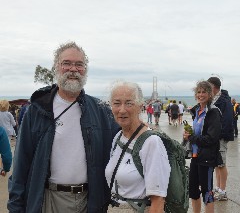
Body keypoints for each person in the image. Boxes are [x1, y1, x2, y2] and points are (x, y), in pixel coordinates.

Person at [8, 41, 119, 213]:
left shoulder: (101, 110)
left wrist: (144, 131)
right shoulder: (37, 110)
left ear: (85, 70)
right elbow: (21, 162)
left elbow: (123, 143)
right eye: (66, 63)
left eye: (79, 64)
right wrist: (15, 205)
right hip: (48, 199)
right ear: (56, 67)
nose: (73, 69)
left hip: (90, 201)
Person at [105, 81, 171, 212]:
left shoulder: (151, 142)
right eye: (117, 103)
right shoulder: (118, 137)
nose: (122, 110)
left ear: (141, 106)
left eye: (129, 103)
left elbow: (158, 202)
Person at [183, 81, 221, 213]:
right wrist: (187, 135)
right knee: (193, 190)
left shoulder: (213, 112)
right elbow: (198, 134)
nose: (201, 94)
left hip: (207, 157)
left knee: (207, 191)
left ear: (210, 94)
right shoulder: (197, 110)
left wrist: (191, 137)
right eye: (198, 92)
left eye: (204, 91)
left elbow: (212, 138)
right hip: (195, 156)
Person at [207, 76, 234, 201]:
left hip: (221, 136)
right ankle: (218, 188)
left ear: (214, 86)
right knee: (218, 163)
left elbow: (228, 120)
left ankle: (223, 191)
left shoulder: (224, 101)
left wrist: (220, 134)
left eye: (208, 86)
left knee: (221, 163)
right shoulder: (215, 100)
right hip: (215, 136)